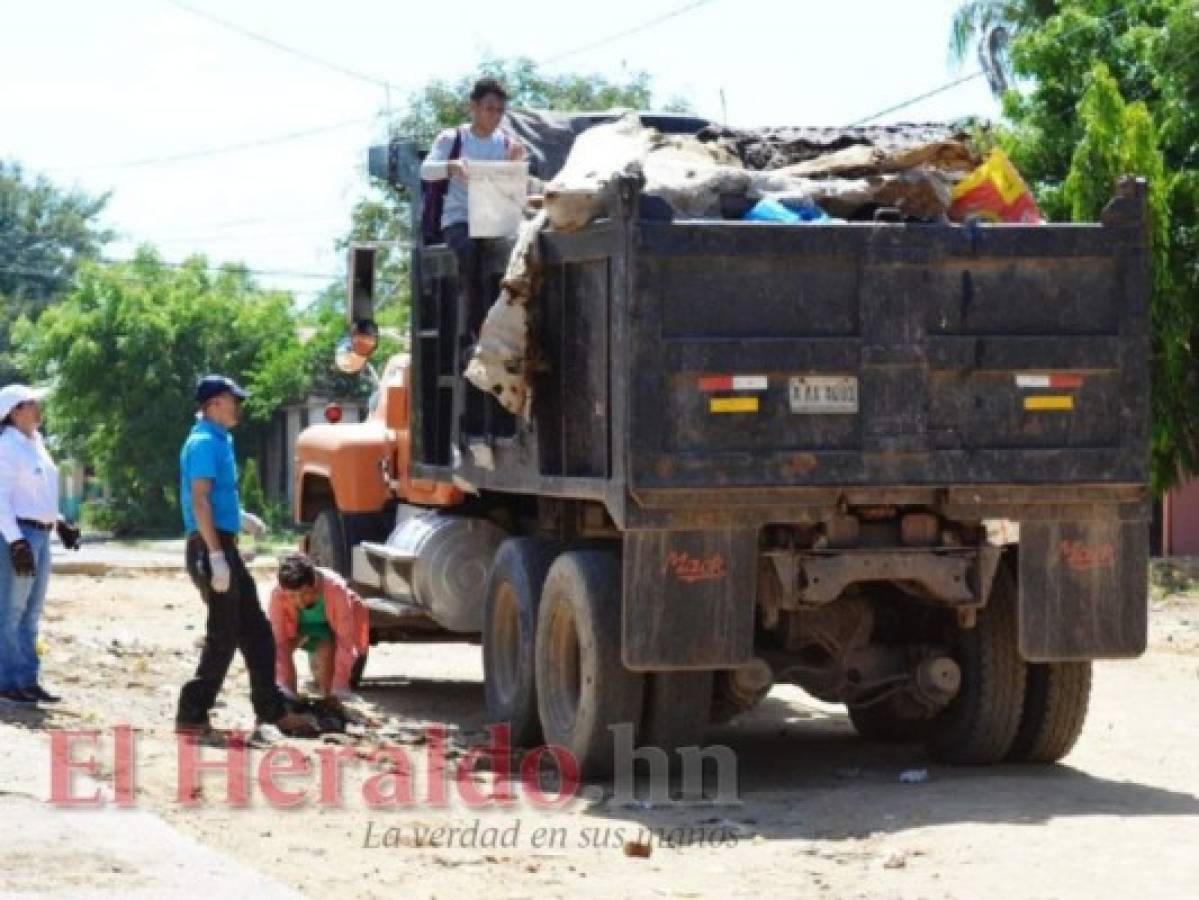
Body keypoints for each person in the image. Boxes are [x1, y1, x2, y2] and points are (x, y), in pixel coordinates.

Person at [175, 375, 313, 741]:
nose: (238, 406)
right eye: (232, 400)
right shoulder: (204, 441)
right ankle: (191, 713)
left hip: (221, 541)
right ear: (213, 404)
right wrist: (217, 555)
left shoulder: (220, 440)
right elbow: (200, 499)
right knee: (224, 635)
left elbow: (217, 496)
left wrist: (238, 517)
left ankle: (271, 710)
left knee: (256, 632)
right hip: (211, 546)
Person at [420, 76, 528, 338]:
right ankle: (476, 328)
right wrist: (451, 166)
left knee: (519, 251)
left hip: (494, 220)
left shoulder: (504, 143)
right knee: (469, 254)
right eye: (489, 109)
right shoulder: (452, 139)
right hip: (459, 220)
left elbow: (511, 186)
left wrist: (515, 162)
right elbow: (425, 171)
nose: (494, 116)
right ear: (474, 107)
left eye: (500, 111)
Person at [0, 384, 81, 706]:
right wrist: (16, 542)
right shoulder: (6, 447)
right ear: (15, 411)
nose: (38, 408)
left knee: (31, 612)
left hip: (41, 534)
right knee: (11, 610)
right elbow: (1, 501)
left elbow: (41, 494)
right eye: (32, 404)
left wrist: (59, 521)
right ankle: (8, 682)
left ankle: (28, 679)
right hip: (19, 534)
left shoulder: (36, 443)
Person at [268, 553, 369, 706]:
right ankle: (289, 697)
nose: (299, 601)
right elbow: (278, 640)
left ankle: (330, 698)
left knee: (326, 653)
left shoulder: (335, 589)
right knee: (282, 650)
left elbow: (345, 640)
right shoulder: (278, 593)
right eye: (292, 597)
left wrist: (340, 683)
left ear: (314, 584)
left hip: (329, 629)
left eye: (303, 594)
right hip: (297, 628)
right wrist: (283, 682)